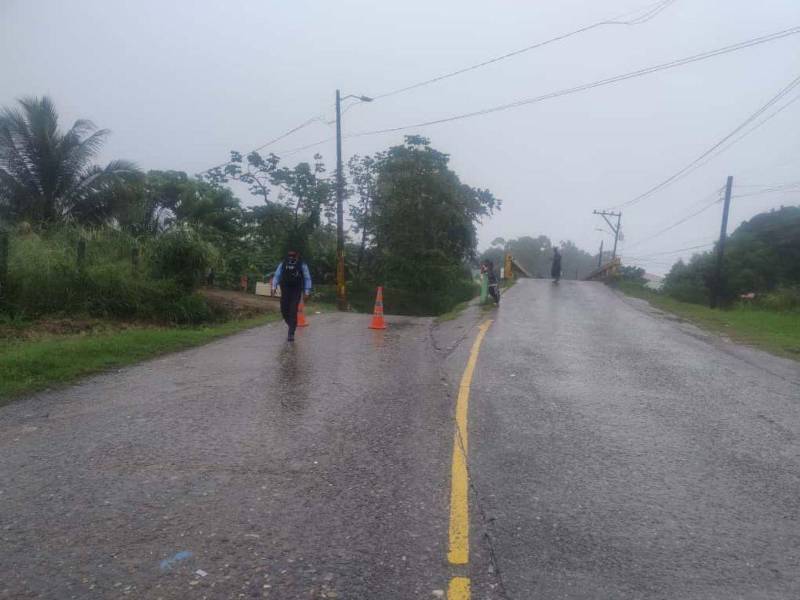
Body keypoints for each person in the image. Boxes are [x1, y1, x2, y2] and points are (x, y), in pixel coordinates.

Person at [271, 250, 312, 341]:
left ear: (297, 256)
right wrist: (273, 287)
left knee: (293, 310)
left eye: (293, 255)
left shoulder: (302, 265)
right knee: (284, 310)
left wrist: (307, 292)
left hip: (296, 290)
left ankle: (291, 333)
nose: (291, 257)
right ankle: (292, 324)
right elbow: (277, 275)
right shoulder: (283, 263)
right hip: (285, 290)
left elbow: (307, 278)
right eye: (290, 255)